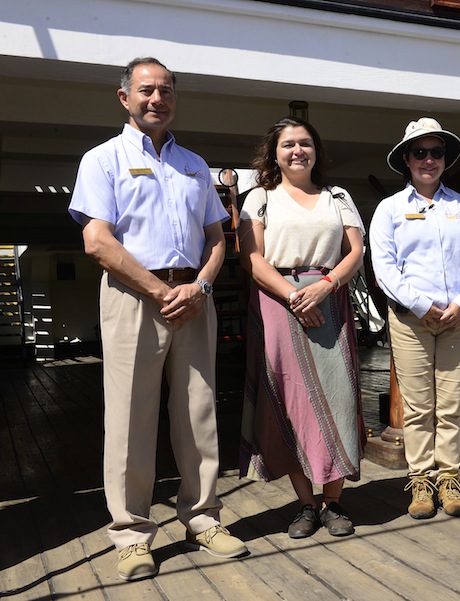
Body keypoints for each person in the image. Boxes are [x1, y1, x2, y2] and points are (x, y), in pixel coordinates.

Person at [68, 57, 247, 582]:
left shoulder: (195, 163)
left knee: (199, 413)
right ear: (124, 97)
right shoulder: (102, 160)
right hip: (133, 295)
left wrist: (203, 286)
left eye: (166, 90)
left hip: (195, 295)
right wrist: (159, 289)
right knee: (129, 419)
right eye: (146, 90)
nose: (157, 99)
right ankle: (130, 534)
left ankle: (203, 517)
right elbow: (97, 240)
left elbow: (217, 239)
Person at [237, 117, 366, 539]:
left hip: (330, 299)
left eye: (305, 143)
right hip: (278, 301)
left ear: (316, 151)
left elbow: (356, 253)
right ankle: (305, 505)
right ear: (274, 153)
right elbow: (252, 260)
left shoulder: (338, 196)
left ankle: (333, 503)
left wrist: (325, 287)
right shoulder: (258, 197)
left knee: (338, 397)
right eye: (288, 144)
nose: (297, 151)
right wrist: (294, 297)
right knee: (289, 400)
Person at [369, 118, 460, 519]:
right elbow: (384, 268)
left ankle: (449, 478)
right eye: (420, 152)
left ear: (445, 159)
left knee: (451, 404)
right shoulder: (390, 210)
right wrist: (422, 304)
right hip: (411, 320)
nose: (428, 159)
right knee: (420, 407)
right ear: (406, 159)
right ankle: (421, 480)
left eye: (436, 152)